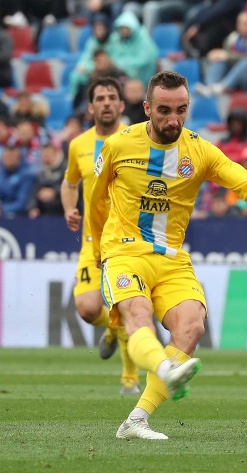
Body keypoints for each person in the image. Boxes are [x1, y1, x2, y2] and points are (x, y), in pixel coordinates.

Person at [89, 71, 247, 440]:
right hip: (125, 252)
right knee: (138, 317)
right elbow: (96, 202)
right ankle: (165, 368)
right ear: (147, 108)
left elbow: (231, 171)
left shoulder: (198, 150)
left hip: (172, 259)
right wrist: (98, 249)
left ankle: (136, 420)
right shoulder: (118, 146)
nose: (174, 120)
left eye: (181, 110)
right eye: (164, 110)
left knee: (191, 327)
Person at [60, 76, 140, 395]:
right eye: (100, 98)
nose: (106, 103)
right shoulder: (78, 145)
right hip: (92, 241)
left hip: (125, 241)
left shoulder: (137, 139)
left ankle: (130, 379)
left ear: (121, 105)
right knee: (88, 309)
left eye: (111, 98)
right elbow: (69, 183)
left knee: (125, 305)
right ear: (91, 107)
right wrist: (69, 208)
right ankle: (112, 329)